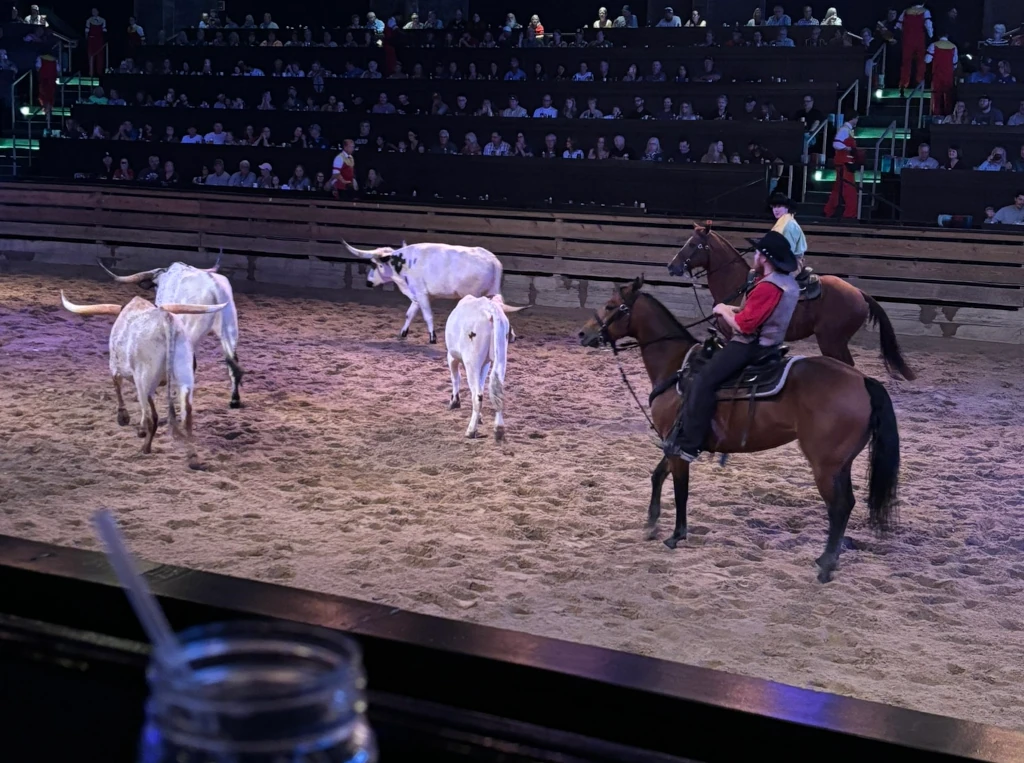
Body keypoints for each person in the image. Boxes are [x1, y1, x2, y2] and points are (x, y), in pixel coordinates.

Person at [664, 230, 800, 462]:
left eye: (758, 252)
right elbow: (756, 315)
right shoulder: (786, 283)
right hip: (768, 342)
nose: (755, 256)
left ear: (765, 258)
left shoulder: (768, 287)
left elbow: (744, 326)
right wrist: (731, 310)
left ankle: (690, 445)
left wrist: (723, 309)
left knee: (703, 380)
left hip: (750, 346)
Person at [824, 114, 860, 219]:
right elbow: (836, 144)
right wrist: (848, 149)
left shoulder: (847, 130)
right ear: (853, 118)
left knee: (837, 189)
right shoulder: (845, 130)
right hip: (845, 164)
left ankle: (829, 210)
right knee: (849, 189)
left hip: (843, 163)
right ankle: (849, 214)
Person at [896, 3, 933, 94]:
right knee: (921, 62)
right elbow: (928, 25)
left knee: (906, 63)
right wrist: (931, 35)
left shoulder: (906, 11)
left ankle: (903, 85)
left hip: (907, 40)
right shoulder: (925, 11)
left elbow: (898, 25)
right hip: (919, 40)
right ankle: (919, 83)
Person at [768, 193, 808, 274]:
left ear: (787, 208)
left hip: (792, 264)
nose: (775, 210)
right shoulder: (782, 223)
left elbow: (788, 252)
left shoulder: (789, 225)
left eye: (779, 206)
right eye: (774, 207)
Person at [925, 34, 957, 116]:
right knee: (948, 96)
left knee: (936, 95)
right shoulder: (953, 46)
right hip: (948, 75)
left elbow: (927, 60)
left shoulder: (933, 45)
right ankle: (948, 115)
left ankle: (936, 115)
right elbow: (955, 63)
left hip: (937, 74)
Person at [85, 8, 106, 77]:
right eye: (92, 11)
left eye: (95, 11)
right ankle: (91, 73)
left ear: (98, 12)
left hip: (99, 40)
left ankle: (99, 72)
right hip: (91, 40)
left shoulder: (103, 20)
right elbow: (86, 31)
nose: (94, 12)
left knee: (100, 56)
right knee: (90, 55)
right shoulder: (89, 20)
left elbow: (104, 30)